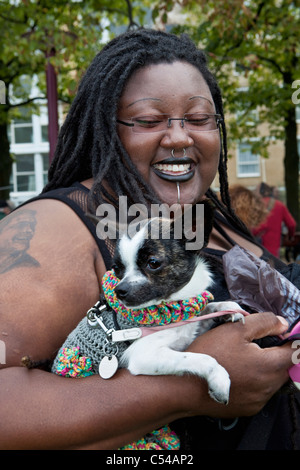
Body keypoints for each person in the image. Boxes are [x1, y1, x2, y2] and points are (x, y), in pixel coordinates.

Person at [0, 28, 298, 451]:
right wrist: (189, 387)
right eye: (148, 121)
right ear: (105, 129)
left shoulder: (207, 216)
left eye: (198, 119)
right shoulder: (60, 225)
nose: (179, 137)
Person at [252, 182, 297, 258]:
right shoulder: (280, 205)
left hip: (256, 247)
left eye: (256, 191)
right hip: (274, 250)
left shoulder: (255, 205)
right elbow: (292, 224)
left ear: (261, 192)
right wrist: (290, 236)